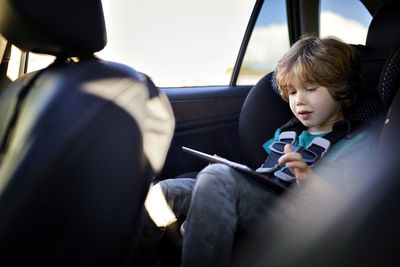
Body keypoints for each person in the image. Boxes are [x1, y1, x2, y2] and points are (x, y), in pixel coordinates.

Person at [135, 35, 376, 267]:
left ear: (341, 89)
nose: (299, 100)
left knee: (217, 180)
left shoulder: (357, 142)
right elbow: (265, 176)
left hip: (302, 217)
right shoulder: (287, 135)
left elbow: (353, 206)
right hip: (265, 198)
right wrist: (231, 169)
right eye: (292, 92)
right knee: (165, 192)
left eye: (310, 88)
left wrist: (308, 179)